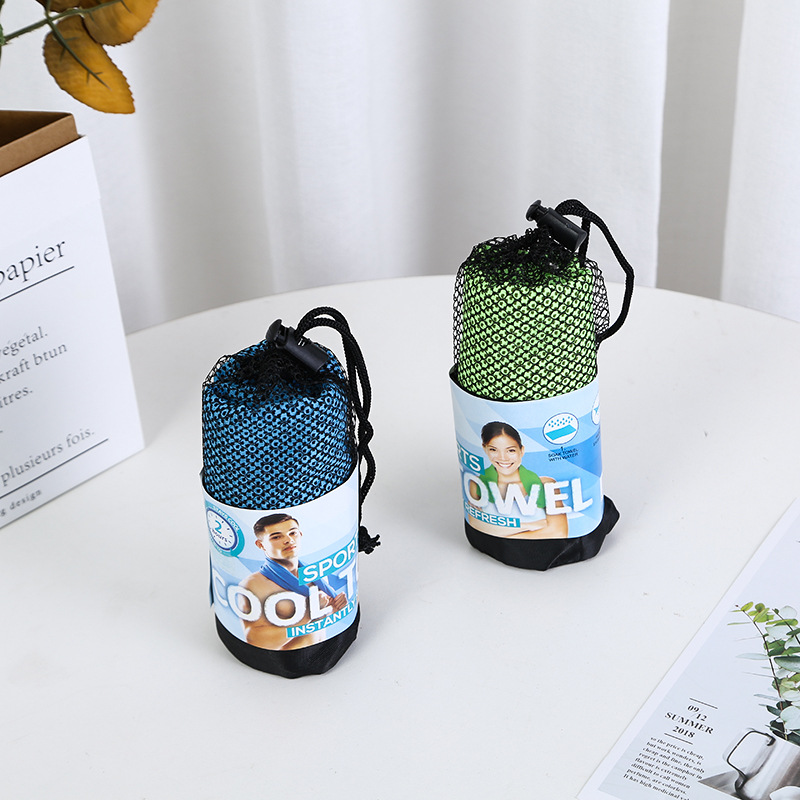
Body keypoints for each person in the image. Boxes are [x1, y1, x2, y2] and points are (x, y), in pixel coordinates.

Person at [237, 513, 348, 650]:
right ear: (261, 545)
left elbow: (316, 625)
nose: (288, 540)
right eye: (276, 537)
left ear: (300, 535)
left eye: (292, 533)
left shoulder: (316, 575)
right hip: (288, 659)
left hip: (326, 651)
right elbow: (254, 640)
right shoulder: (253, 584)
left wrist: (332, 610)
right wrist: (307, 614)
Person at [466, 421, 568, 539]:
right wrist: (528, 526)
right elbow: (475, 525)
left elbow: (559, 533)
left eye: (511, 450)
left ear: (521, 450)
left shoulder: (545, 484)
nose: (503, 458)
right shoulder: (477, 483)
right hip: (491, 547)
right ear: (485, 449)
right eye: (493, 450)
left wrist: (499, 533)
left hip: (545, 549)